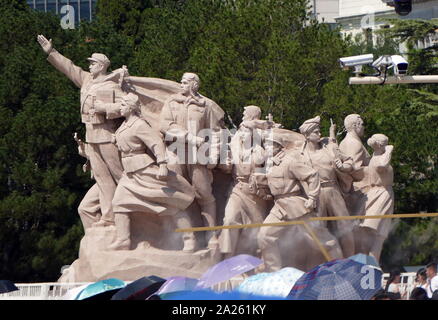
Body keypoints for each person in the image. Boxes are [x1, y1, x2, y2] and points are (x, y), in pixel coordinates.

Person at [37, 35, 125, 228]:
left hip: (107, 136)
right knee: (102, 179)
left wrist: (104, 108)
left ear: (102, 66)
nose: (90, 66)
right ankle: (109, 217)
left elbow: (125, 106)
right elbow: (69, 68)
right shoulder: (86, 80)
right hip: (91, 137)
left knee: (120, 176)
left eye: (93, 63)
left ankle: (135, 212)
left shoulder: (112, 85)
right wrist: (52, 52)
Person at [109, 93, 196, 251]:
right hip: (129, 174)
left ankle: (189, 238)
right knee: (118, 203)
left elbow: (156, 142)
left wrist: (162, 164)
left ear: (131, 107)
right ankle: (123, 240)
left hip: (144, 170)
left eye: (122, 104)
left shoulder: (139, 124)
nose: (120, 107)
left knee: (169, 202)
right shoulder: (124, 125)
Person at [257, 130, 342, 272]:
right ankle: (274, 273)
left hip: (295, 205)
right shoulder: (269, 165)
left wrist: (312, 197)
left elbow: (312, 175)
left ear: (279, 146)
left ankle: (340, 267)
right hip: (279, 207)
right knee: (264, 236)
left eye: (270, 145)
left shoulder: (290, 161)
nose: (267, 148)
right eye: (266, 145)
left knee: (322, 241)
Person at [159, 72, 225, 248]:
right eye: (181, 81)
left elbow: (216, 132)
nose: (181, 84)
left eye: (186, 82)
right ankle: (187, 238)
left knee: (204, 193)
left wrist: (214, 154)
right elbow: (165, 125)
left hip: (198, 154)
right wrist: (188, 137)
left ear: (195, 85)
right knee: (175, 193)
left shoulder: (206, 105)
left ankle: (211, 235)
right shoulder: (172, 102)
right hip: (175, 152)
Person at [298, 116, 355, 258]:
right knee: (317, 230)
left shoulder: (329, 147)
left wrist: (344, 167)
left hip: (332, 190)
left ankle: (351, 260)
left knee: (345, 226)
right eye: (316, 132)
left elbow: (349, 162)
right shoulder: (300, 154)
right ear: (306, 135)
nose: (319, 134)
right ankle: (323, 261)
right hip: (315, 194)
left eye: (319, 131)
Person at [218, 106, 271, 258]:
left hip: (256, 195)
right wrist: (226, 164)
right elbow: (227, 167)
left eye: (246, 131)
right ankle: (227, 259)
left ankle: (254, 261)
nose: (242, 134)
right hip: (238, 190)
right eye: (241, 131)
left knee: (257, 229)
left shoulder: (260, 151)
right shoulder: (235, 147)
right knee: (229, 221)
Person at [359, 134, 395, 262]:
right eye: (386, 144)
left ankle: (372, 261)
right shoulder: (379, 159)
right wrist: (389, 151)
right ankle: (371, 262)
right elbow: (382, 166)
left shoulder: (375, 156)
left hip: (380, 193)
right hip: (381, 194)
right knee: (376, 233)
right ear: (381, 145)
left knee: (378, 233)